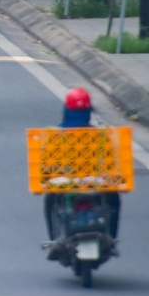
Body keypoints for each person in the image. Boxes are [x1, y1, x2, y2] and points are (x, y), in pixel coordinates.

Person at [46, 87, 123, 241]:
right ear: (89, 111)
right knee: (114, 199)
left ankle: (53, 238)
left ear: (66, 110)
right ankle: (111, 237)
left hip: (66, 183)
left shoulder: (55, 135)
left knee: (50, 199)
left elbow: (48, 165)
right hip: (95, 182)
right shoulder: (101, 135)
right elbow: (110, 164)